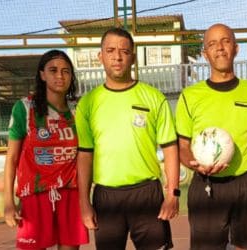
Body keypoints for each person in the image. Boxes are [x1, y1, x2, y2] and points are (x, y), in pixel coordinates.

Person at [76, 27, 180, 250]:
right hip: (106, 196)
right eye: (110, 50)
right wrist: (84, 202)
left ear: (132, 57)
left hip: (147, 194)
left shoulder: (154, 98)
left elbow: (170, 148)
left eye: (124, 51)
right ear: (100, 56)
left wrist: (173, 194)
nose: (117, 56)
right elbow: (85, 155)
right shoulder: (88, 103)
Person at [175, 23, 247, 250]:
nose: (220, 48)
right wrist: (195, 164)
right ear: (204, 53)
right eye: (212, 43)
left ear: (236, 48)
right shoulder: (190, 96)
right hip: (207, 184)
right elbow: (183, 146)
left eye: (226, 41)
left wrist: (242, 160)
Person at [3, 49, 89, 249]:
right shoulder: (25, 108)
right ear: (42, 74)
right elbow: (12, 158)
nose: (60, 76)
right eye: (53, 70)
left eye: (66, 71)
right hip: (35, 194)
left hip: (71, 193)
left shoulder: (79, 109)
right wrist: (8, 202)